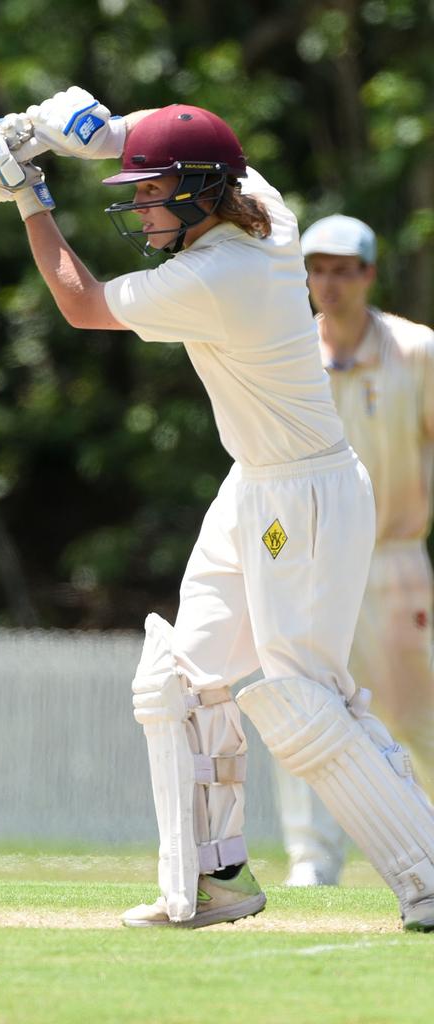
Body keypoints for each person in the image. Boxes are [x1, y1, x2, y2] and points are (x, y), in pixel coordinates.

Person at [0, 86, 434, 931]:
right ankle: (217, 882)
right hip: (254, 483)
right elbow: (191, 144)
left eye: (151, 194)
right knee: (180, 682)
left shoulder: (214, 276)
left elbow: (80, 303)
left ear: (192, 196)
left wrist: (32, 199)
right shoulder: (264, 208)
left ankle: (428, 878)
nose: (140, 207)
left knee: (302, 700)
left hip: (307, 494)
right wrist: (83, 134)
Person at [274, 214, 434, 887]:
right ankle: (313, 862)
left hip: (392, 557)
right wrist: (271, 552)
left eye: (343, 269)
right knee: (307, 707)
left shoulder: (417, 351)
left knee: (412, 710)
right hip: (307, 563)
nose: (328, 282)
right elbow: (266, 469)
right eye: (317, 268)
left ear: (368, 274)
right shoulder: (286, 353)